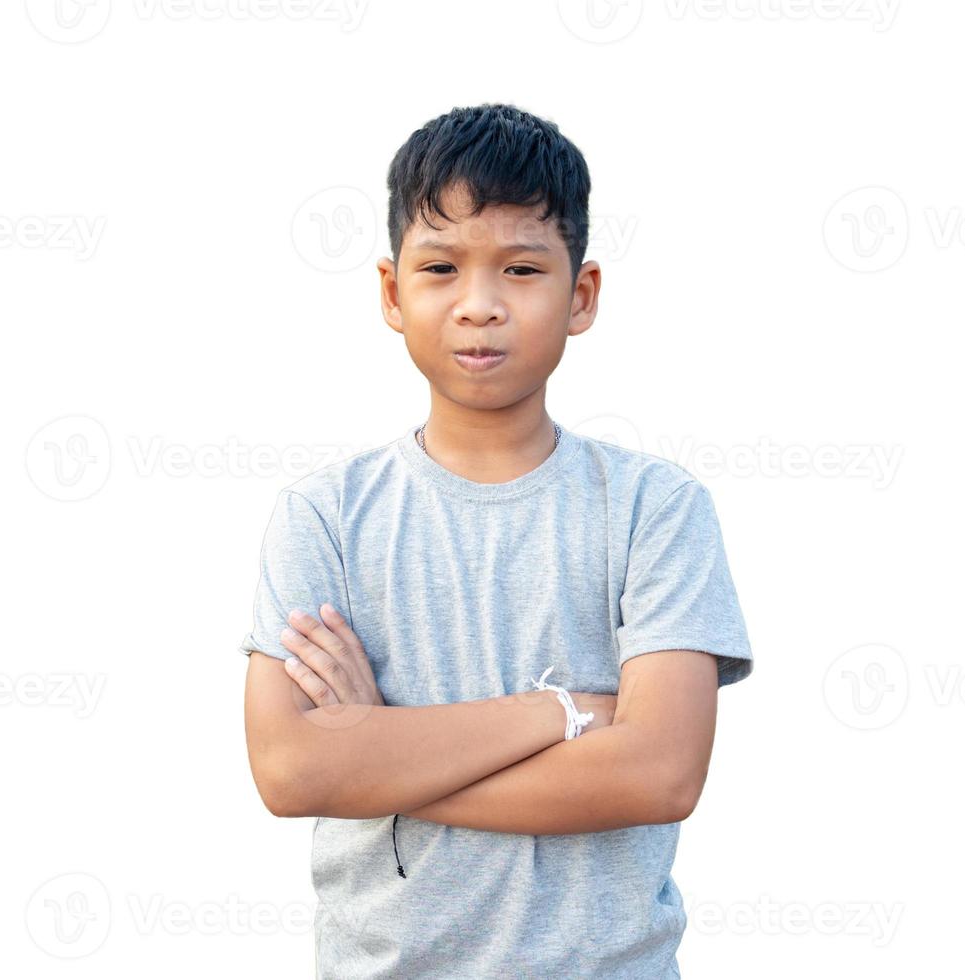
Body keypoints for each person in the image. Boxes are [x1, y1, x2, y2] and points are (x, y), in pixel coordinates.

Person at [237, 102, 753, 978]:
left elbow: (659, 775)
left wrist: (378, 749)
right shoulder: (323, 515)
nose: (479, 306)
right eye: (440, 267)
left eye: (520, 268)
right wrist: (562, 714)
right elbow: (290, 772)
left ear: (580, 295)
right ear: (393, 294)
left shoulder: (654, 509)